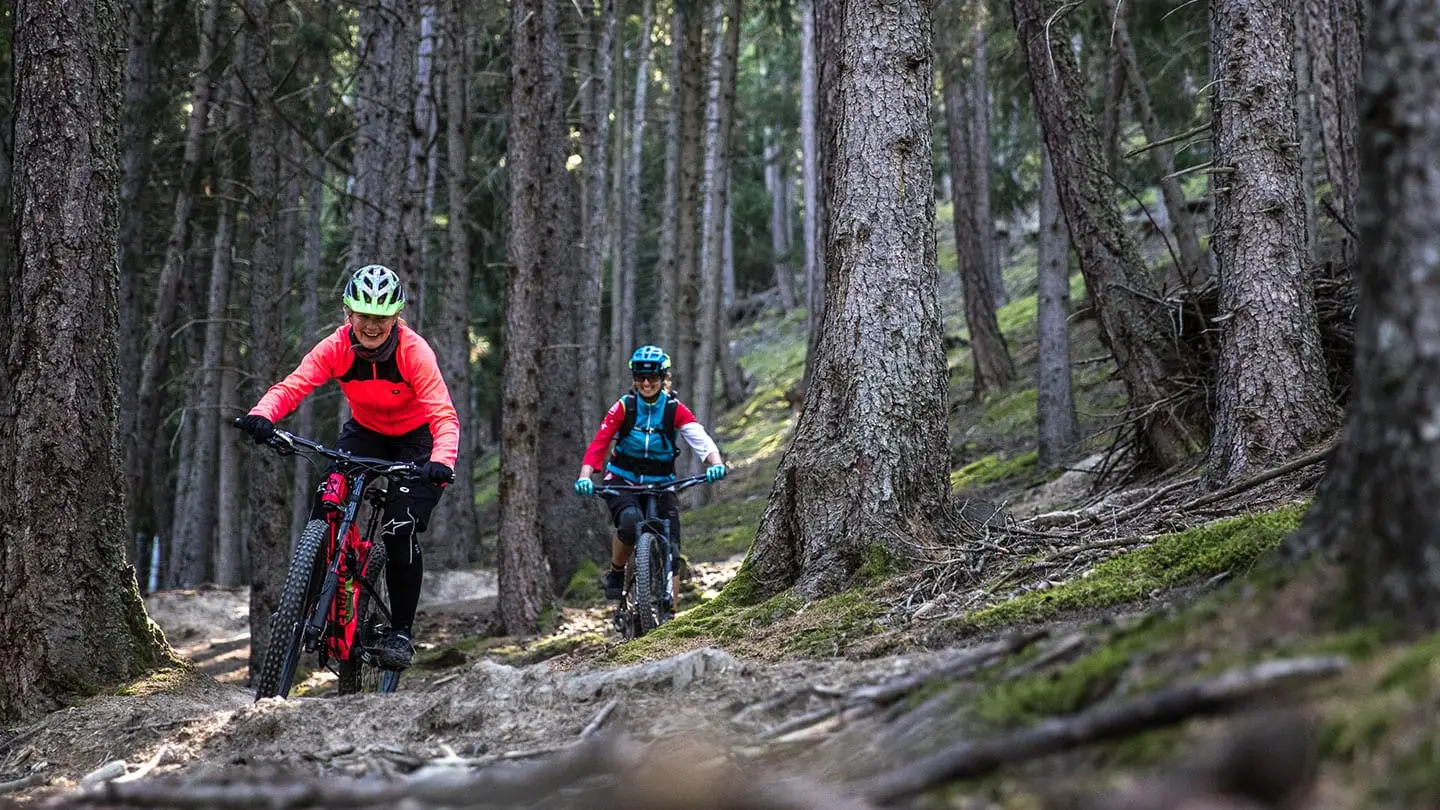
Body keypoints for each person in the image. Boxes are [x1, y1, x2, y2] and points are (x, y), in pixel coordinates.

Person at [235, 264, 459, 670]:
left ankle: (401, 633)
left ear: (396, 317)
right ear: (348, 314)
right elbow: (294, 385)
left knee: (399, 525)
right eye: (363, 316)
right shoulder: (336, 346)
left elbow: (444, 416)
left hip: (418, 440)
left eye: (381, 317)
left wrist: (441, 461)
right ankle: (309, 596)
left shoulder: (413, 352)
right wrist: (262, 415)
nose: (372, 326)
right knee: (329, 499)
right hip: (365, 432)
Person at [574, 345, 727, 604]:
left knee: (672, 551)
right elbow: (600, 443)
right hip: (623, 479)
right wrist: (585, 476)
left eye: (652, 377)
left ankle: (671, 620)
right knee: (631, 522)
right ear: (634, 378)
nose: (646, 383)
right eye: (640, 378)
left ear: (663, 377)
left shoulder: (673, 408)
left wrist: (715, 463)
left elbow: (700, 438)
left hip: (661, 483)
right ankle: (616, 571)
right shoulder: (624, 407)